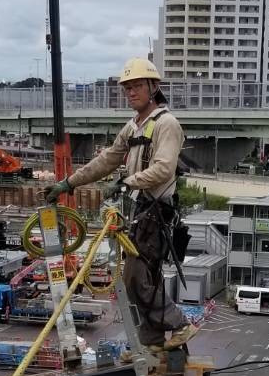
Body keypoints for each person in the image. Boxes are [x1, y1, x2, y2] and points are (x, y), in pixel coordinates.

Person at [45, 58, 193, 353]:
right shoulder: (134, 127)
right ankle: (151, 342)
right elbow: (108, 159)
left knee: (135, 278)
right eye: (127, 88)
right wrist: (69, 183)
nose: (131, 93)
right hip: (140, 212)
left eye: (137, 86)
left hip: (156, 213)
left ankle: (179, 325)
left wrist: (128, 183)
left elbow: (164, 169)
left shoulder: (166, 124)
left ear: (153, 87)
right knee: (143, 277)